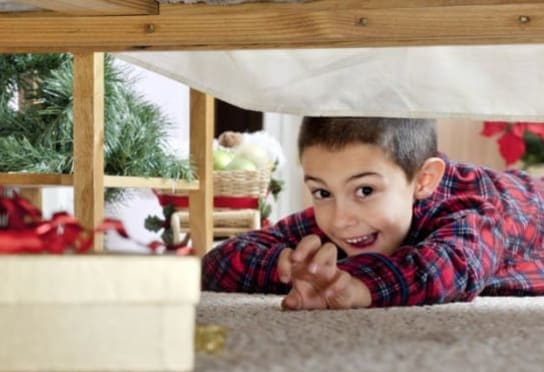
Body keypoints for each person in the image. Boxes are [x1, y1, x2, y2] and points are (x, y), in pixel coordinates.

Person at [201, 117, 544, 309]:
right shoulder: (345, 214)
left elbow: (450, 266)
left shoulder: (473, 208)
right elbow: (219, 262)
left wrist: (355, 286)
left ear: (423, 181)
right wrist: (292, 267)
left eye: (364, 190)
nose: (339, 219)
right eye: (322, 192)